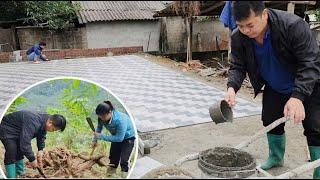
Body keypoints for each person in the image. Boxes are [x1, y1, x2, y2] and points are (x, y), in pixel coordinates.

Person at [224, 1, 320, 178]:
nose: (246, 30)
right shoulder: (239, 37)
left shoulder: (293, 26)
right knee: (269, 120)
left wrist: (298, 97)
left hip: (309, 85)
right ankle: (276, 157)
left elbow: (310, 63)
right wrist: (232, 87)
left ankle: (319, 170)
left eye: (250, 25)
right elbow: (237, 65)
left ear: (264, 14)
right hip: (275, 86)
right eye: (240, 26)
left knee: (316, 127)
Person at [0, 110, 67, 178]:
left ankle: (20, 174)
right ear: (50, 123)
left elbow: (41, 136)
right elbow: (25, 143)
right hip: (7, 129)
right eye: (53, 129)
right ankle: (11, 176)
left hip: (18, 132)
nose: (52, 131)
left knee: (19, 151)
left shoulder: (45, 120)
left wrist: (41, 149)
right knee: (11, 151)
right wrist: (32, 159)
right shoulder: (34, 121)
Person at [92, 101, 136, 177]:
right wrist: (94, 140)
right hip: (116, 137)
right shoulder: (101, 118)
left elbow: (119, 138)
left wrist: (101, 136)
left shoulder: (120, 120)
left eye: (103, 116)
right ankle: (110, 176)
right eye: (100, 117)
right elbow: (99, 128)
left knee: (124, 161)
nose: (102, 119)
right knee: (113, 160)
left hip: (129, 138)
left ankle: (125, 175)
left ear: (110, 112)